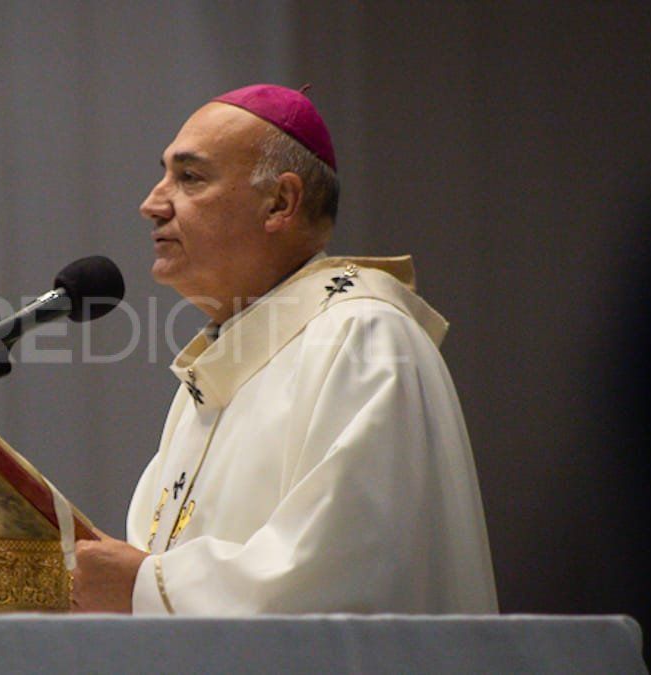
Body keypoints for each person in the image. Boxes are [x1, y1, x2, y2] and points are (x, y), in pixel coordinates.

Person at [70, 84, 498, 614]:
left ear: (280, 202)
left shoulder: (362, 340)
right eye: (163, 175)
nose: (152, 204)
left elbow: (343, 574)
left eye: (189, 177)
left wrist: (143, 589)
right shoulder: (219, 372)